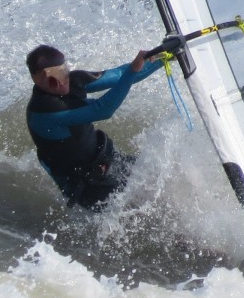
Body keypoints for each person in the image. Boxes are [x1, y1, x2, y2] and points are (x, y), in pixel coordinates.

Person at [25, 43, 162, 208]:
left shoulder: (74, 81)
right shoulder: (43, 112)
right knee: (149, 215)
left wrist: (163, 57)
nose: (61, 84)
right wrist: (133, 70)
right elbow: (103, 110)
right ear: (37, 80)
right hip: (89, 188)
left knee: (161, 174)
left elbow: (120, 74)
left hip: (109, 160)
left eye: (63, 75)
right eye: (52, 81)